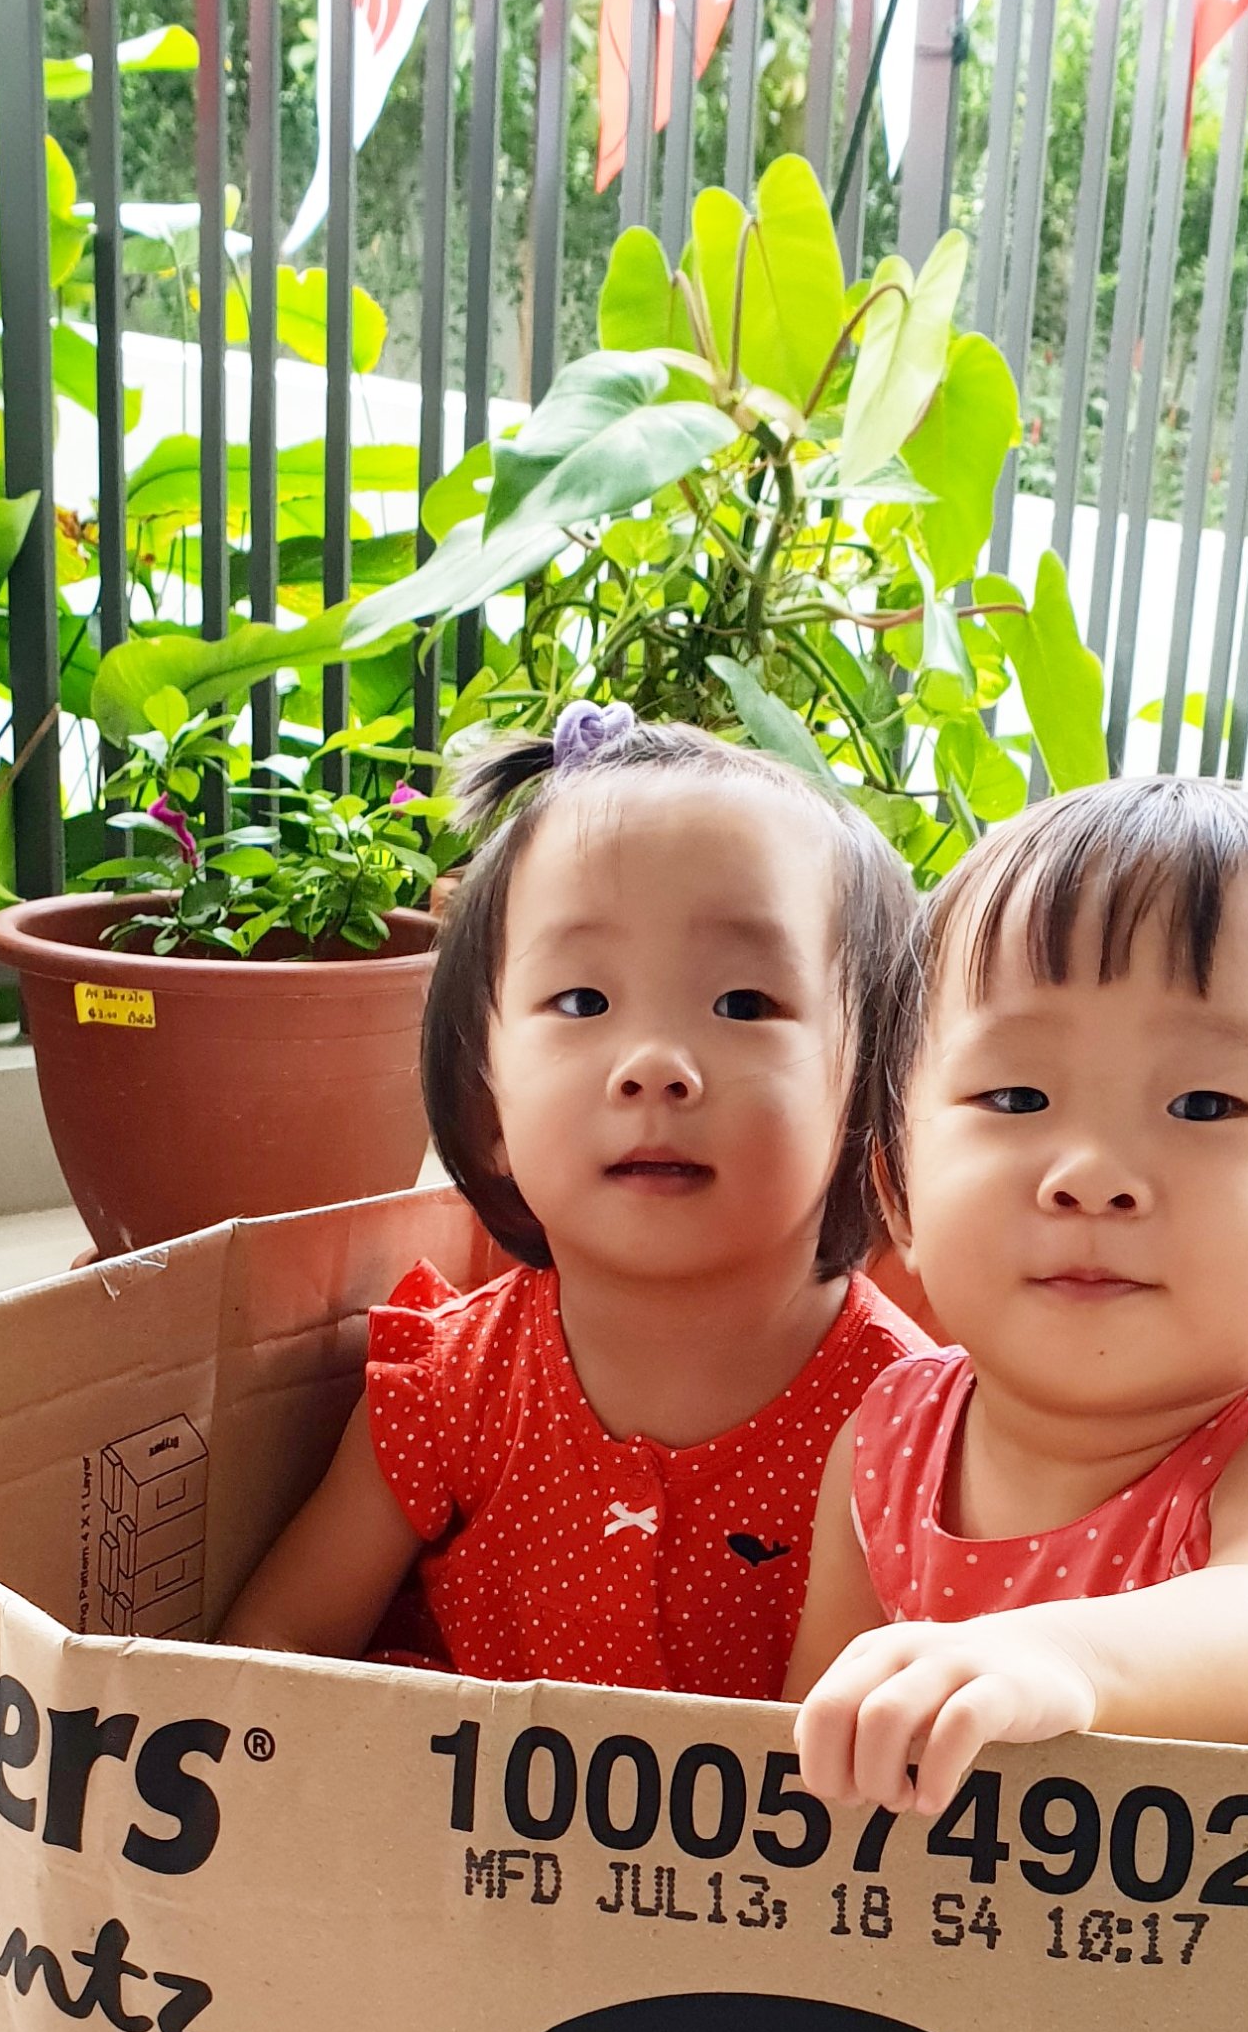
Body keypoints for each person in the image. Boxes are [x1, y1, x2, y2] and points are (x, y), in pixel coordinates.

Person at [220, 706, 928, 1698]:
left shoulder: (918, 1422)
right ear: (489, 1103)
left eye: (744, 1004)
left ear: (869, 1095)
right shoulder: (452, 1386)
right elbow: (275, 1645)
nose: (654, 1067)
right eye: (583, 1002)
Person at [787, 775, 1248, 1812]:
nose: (1091, 1172)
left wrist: (1063, 1660)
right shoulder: (888, 1441)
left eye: (1203, 1103)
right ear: (897, 1188)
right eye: (1015, 1096)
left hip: (1215, 1961)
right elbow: (806, 1750)